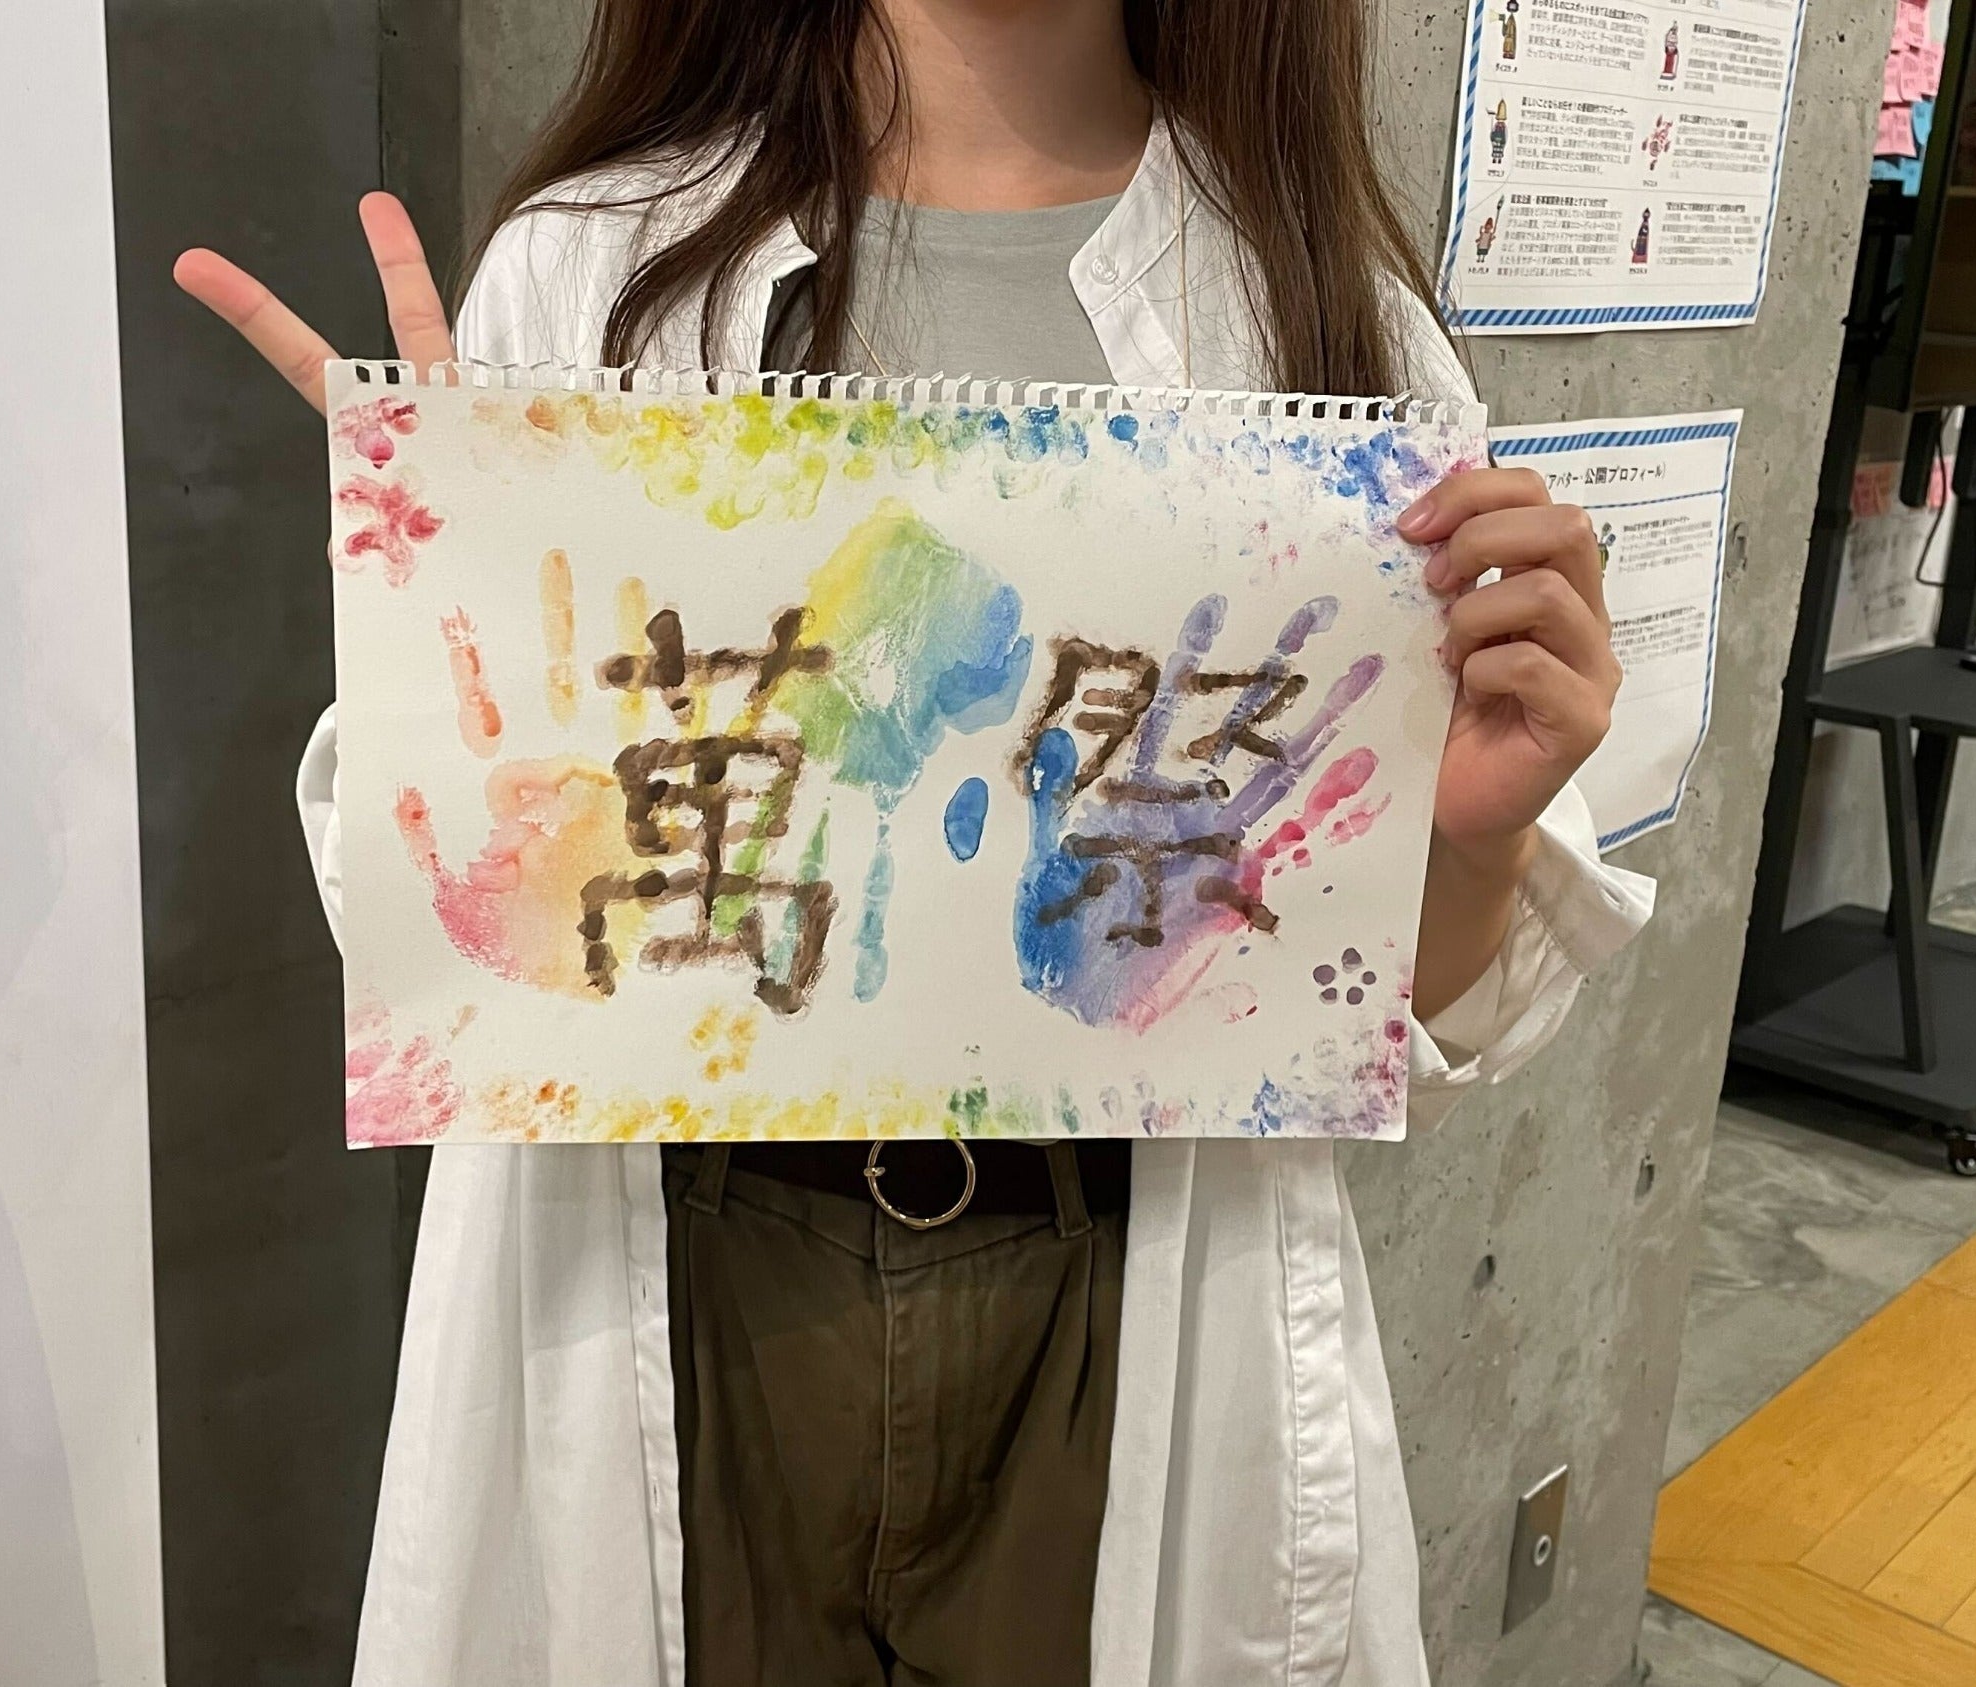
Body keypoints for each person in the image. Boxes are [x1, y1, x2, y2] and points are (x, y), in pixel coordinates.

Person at [174, 2, 1653, 1682]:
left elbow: (1392, 1018)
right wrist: (453, 652)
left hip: (1119, 1287)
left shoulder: (1322, 306)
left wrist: (1471, 837)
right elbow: (470, 940)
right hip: (689, 1268)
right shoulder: (587, 271)